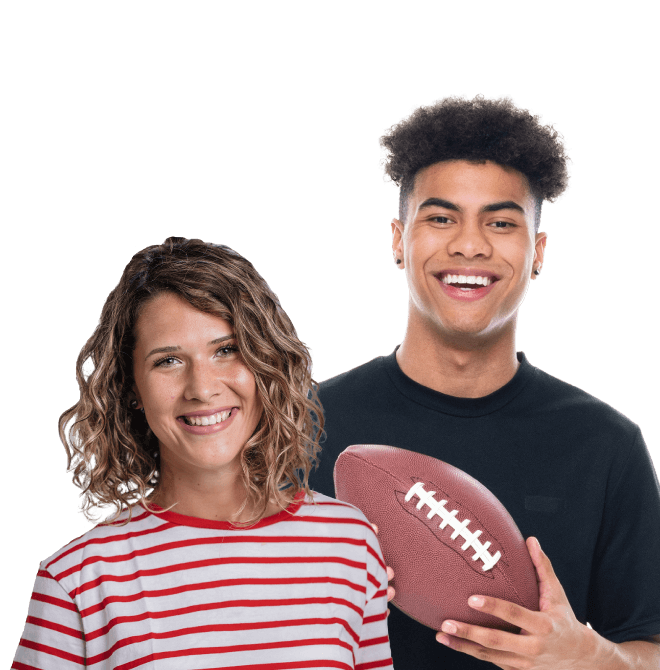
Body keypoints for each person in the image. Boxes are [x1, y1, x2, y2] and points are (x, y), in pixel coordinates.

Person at [307, 94, 660, 668]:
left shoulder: (606, 445)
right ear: (398, 240)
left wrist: (588, 657)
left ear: (537, 251)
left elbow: (649, 648)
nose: (469, 245)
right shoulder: (299, 427)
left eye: (500, 222)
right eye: (441, 218)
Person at [13, 237, 393, 669]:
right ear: (131, 387)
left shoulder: (350, 543)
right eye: (168, 361)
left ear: (265, 362)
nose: (202, 388)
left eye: (226, 350)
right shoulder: (78, 582)